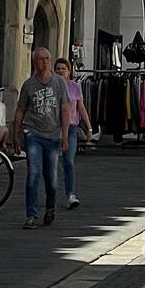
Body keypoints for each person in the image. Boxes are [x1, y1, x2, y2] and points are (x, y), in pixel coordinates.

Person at [14, 48, 71, 230]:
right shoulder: (29, 85)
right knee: (34, 173)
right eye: (41, 59)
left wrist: (65, 135)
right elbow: (20, 110)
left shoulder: (60, 83)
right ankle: (31, 215)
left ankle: (50, 207)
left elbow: (65, 109)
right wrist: (16, 134)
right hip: (33, 134)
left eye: (47, 59)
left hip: (53, 135)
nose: (45, 62)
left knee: (51, 177)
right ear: (34, 62)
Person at [54, 58, 93, 209]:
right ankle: (52, 193)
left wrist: (88, 127)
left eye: (63, 68)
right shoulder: (51, 87)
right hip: (54, 129)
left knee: (68, 161)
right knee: (51, 163)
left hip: (70, 129)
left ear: (69, 71)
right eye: (57, 68)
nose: (60, 71)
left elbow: (81, 108)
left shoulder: (75, 87)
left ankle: (70, 194)